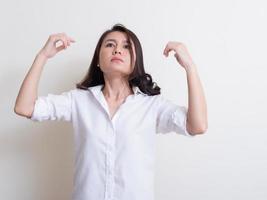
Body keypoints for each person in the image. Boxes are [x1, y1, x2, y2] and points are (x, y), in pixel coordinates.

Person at [14, 24, 208, 200]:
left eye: (126, 46)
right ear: (98, 59)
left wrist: (190, 67)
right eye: (109, 45)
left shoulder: (151, 106)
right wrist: (42, 56)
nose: (117, 49)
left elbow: (197, 125)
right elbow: (24, 108)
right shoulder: (78, 101)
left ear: (135, 60)